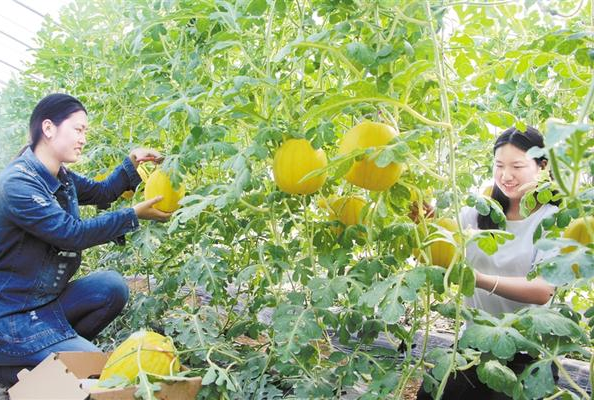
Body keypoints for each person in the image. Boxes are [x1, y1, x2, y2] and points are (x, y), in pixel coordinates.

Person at [0, 93, 172, 386]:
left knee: (110, 287)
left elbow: (102, 192)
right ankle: (21, 367)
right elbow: (71, 234)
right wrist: (133, 214)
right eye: (78, 130)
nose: (83, 139)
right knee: (94, 367)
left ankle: (50, 358)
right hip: (11, 317)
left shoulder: (60, 176)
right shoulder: (18, 183)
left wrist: (132, 164)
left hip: (42, 305)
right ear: (49, 128)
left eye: (85, 132)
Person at [417, 126, 559, 399]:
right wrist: (426, 223)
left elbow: (543, 290)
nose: (506, 175)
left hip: (526, 352)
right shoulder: (477, 213)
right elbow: (443, 245)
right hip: (475, 344)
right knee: (430, 395)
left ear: (542, 167)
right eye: (499, 165)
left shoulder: (553, 221)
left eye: (517, 166)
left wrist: (479, 280)